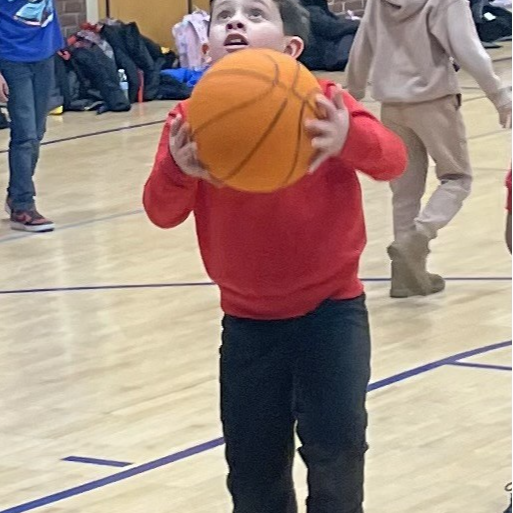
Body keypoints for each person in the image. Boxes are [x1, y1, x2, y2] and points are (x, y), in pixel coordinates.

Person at [144, 0, 407, 511]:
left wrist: (349, 138)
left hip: (331, 313)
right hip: (246, 323)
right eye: (224, 17)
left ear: (291, 49)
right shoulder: (188, 120)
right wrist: (178, 170)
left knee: (337, 454)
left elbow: (393, 159)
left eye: (255, 13)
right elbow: (160, 211)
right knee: (253, 469)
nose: (236, 22)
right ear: (206, 47)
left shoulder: (324, 102)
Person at [346, 0, 513, 298]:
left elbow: (363, 43)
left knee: (404, 191)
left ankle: (406, 277)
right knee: (457, 179)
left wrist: (353, 93)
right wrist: (499, 95)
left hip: (391, 105)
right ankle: (419, 236)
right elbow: (467, 49)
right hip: (434, 100)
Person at [0, 0, 63, 232]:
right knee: (25, 134)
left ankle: (16, 195)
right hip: (11, 58)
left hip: (43, 55)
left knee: (37, 132)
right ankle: (23, 205)